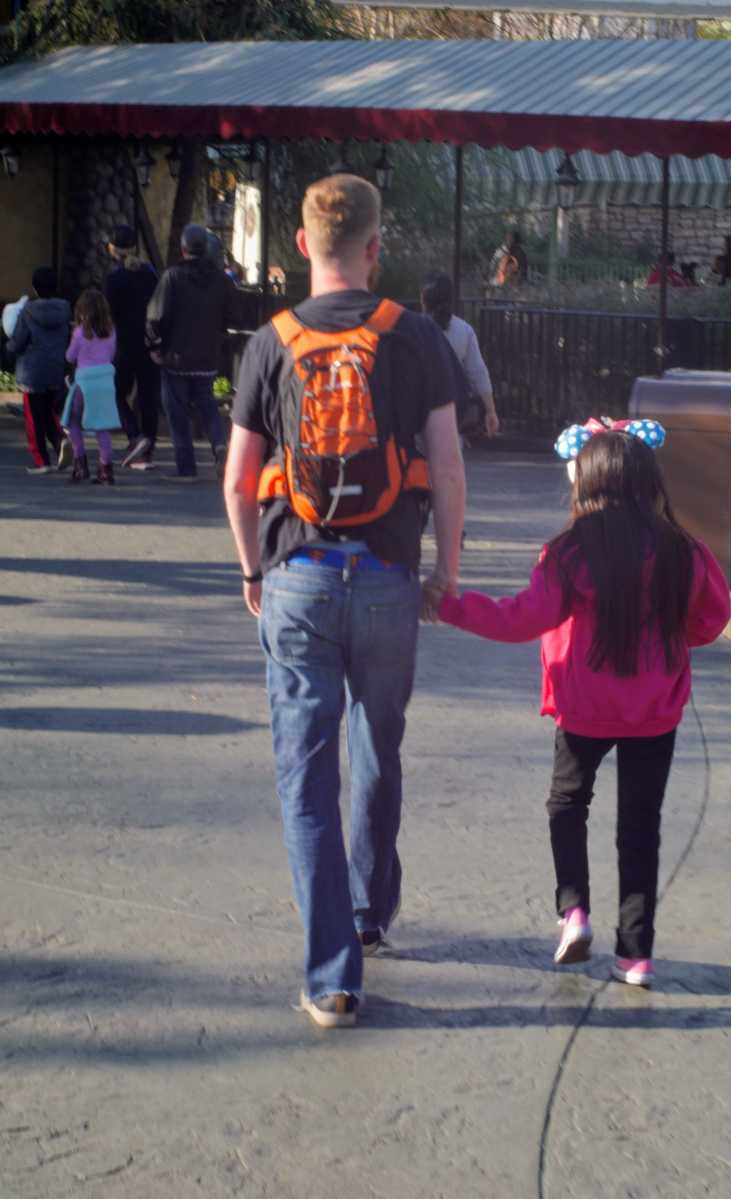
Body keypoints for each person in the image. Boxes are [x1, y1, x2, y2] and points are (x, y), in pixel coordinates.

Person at [223, 174, 467, 1029]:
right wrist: (446, 569)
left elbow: (238, 481)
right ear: (375, 248)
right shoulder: (416, 336)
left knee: (304, 771)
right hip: (389, 576)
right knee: (378, 742)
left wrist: (254, 571)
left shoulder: (271, 342)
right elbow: (447, 467)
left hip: (296, 575)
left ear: (301, 246)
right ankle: (371, 907)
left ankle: (333, 974)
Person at [433, 419, 731, 983]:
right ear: (648, 480)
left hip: (583, 705)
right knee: (640, 826)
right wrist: (670, 639)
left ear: (585, 482)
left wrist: (449, 604)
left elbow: (519, 619)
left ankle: (574, 912)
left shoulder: (567, 553)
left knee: (567, 805)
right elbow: (712, 617)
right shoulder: (681, 550)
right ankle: (635, 954)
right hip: (655, 709)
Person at [146, 223, 239, 482]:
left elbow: (156, 316)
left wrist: (154, 345)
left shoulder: (172, 276)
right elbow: (232, 316)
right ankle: (219, 445)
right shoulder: (222, 280)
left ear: (184, 247)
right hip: (207, 355)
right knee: (208, 404)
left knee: (176, 411)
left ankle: (186, 467)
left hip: (175, 356)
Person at [104, 225, 160, 469]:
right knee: (149, 396)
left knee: (116, 390)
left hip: (123, 343)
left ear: (112, 249)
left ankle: (134, 434)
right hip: (149, 341)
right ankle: (148, 448)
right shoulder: (150, 273)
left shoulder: (113, 278)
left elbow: (108, 313)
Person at [7, 266, 70, 475]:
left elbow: (18, 343)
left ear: (35, 288)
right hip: (56, 369)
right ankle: (61, 442)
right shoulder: (65, 309)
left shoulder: (27, 312)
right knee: (48, 413)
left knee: (34, 418)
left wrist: (7, 348)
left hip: (32, 372)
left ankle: (41, 460)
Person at [420, 271, 500, 437]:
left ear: (424, 298)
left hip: (419, 408)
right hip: (452, 409)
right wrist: (490, 411)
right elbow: (478, 372)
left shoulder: (414, 328)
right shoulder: (464, 330)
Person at [62, 288, 121, 485]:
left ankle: (80, 465)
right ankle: (106, 470)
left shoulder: (79, 333)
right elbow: (111, 355)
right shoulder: (111, 331)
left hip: (84, 382)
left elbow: (70, 356)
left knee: (73, 422)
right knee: (101, 426)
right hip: (105, 381)